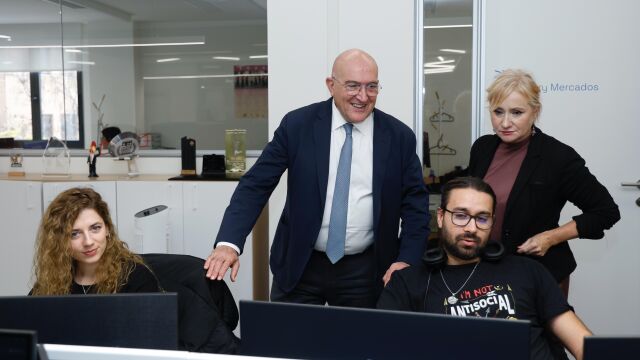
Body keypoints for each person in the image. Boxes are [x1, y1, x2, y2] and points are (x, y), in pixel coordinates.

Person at [205, 48, 429, 307]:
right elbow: (255, 185)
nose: (363, 96)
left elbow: (415, 205)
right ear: (331, 85)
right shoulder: (298, 125)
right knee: (289, 345)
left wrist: (407, 259)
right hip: (300, 265)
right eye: (353, 86)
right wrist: (229, 243)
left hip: (366, 272)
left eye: (372, 87)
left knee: (358, 347)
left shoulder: (399, 137)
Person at [378, 177, 592, 360]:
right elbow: (382, 350)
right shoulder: (407, 283)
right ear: (441, 217)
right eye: (461, 215)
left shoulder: (528, 271)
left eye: (482, 218)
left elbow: (582, 343)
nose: (471, 228)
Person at [467, 69, 619, 296]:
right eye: (498, 112)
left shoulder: (558, 157)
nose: (505, 122)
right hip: (484, 268)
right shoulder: (483, 147)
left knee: (537, 333)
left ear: (535, 111)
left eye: (517, 112)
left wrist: (550, 237)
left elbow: (606, 212)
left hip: (539, 274)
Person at [31, 187, 160, 295]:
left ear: (107, 228)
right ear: (59, 240)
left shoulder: (137, 278)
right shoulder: (52, 280)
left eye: (95, 228)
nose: (88, 242)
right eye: (74, 234)